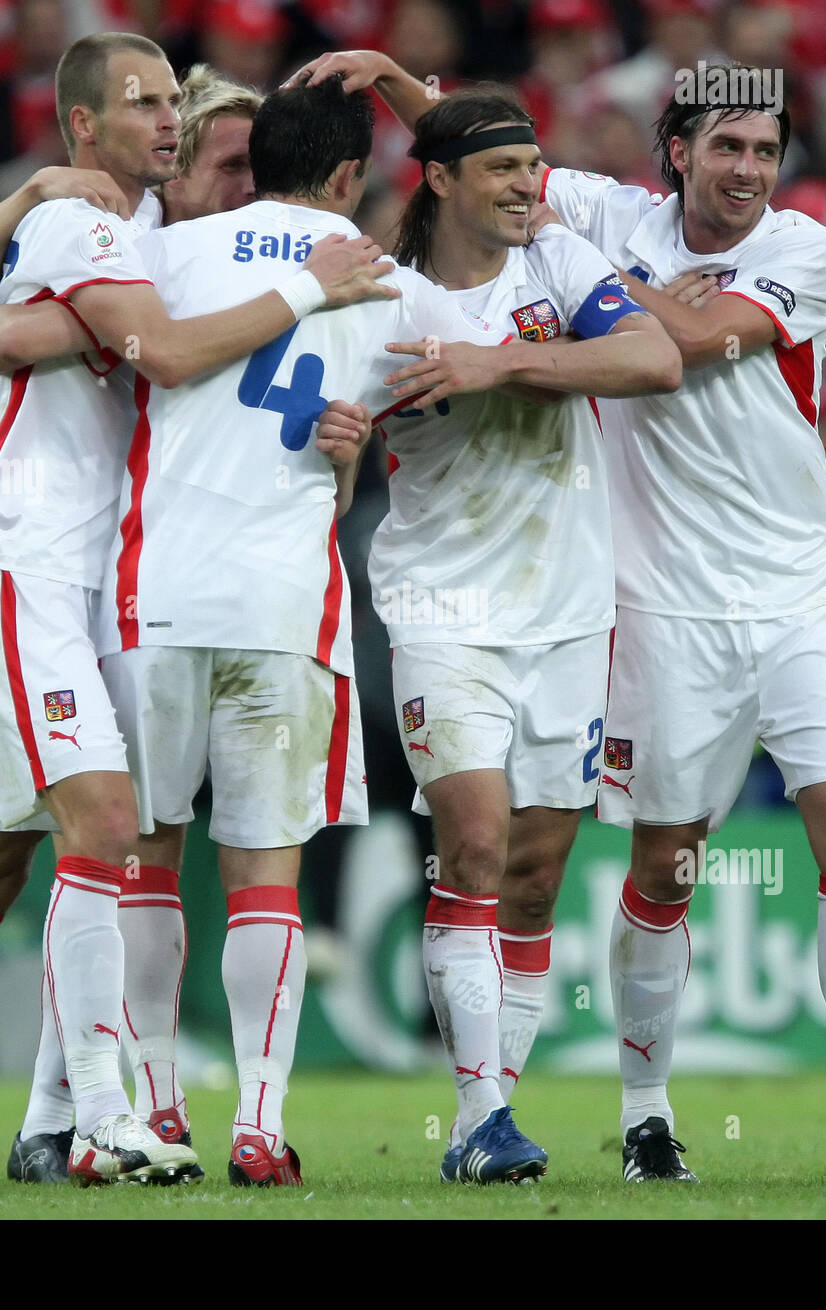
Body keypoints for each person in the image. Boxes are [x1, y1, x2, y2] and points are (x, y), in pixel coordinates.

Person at [0, 71, 676, 1187]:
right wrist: (354, 439)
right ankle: (258, 1119)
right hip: (292, 610)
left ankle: (140, 1112)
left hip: (149, 594)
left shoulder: (163, 254)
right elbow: (435, 377)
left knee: (136, 858)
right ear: (352, 175)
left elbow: (9, 327)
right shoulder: (384, 286)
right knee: (265, 875)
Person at [0, 35, 388, 1188]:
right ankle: (100, 1118)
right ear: (90, 126)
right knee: (103, 823)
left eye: (174, 108)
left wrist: (338, 446)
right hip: (27, 566)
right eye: (149, 108)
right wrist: (302, 282)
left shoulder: (146, 246)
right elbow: (137, 347)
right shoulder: (97, 231)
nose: (180, 136)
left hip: (96, 587)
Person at [534, 71, 826, 1183]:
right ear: (673, 150)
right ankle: (644, 1111)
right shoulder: (603, 209)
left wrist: (607, 282)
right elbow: (490, 156)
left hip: (797, 595)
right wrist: (398, 86)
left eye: (765, 148)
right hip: (666, 607)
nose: (748, 169)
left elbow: (691, 341)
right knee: (666, 868)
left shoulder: (802, 249)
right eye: (726, 144)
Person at [290, 51, 681, 1184]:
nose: (528, 185)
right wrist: (340, 449)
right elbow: (342, 444)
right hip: (440, 607)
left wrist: (501, 363)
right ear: (444, 181)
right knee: (468, 839)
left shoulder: (555, 258)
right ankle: (475, 1120)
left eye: (534, 166)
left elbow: (654, 357)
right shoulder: (382, 293)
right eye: (505, 168)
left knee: (534, 871)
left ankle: (493, 1112)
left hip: (566, 609)